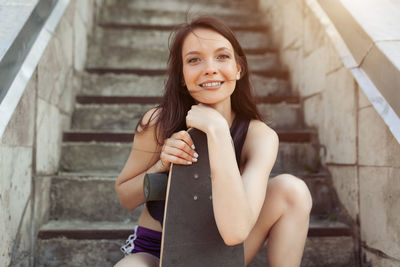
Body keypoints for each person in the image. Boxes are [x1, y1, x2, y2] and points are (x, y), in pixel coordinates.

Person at [114, 16, 312, 267]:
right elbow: (125, 197)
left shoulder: (259, 137)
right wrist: (161, 165)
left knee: (292, 190)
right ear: (182, 76)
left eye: (222, 56)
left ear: (239, 68)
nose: (210, 68)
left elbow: (235, 232)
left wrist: (218, 130)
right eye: (194, 60)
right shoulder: (158, 122)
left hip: (222, 251)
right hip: (157, 252)